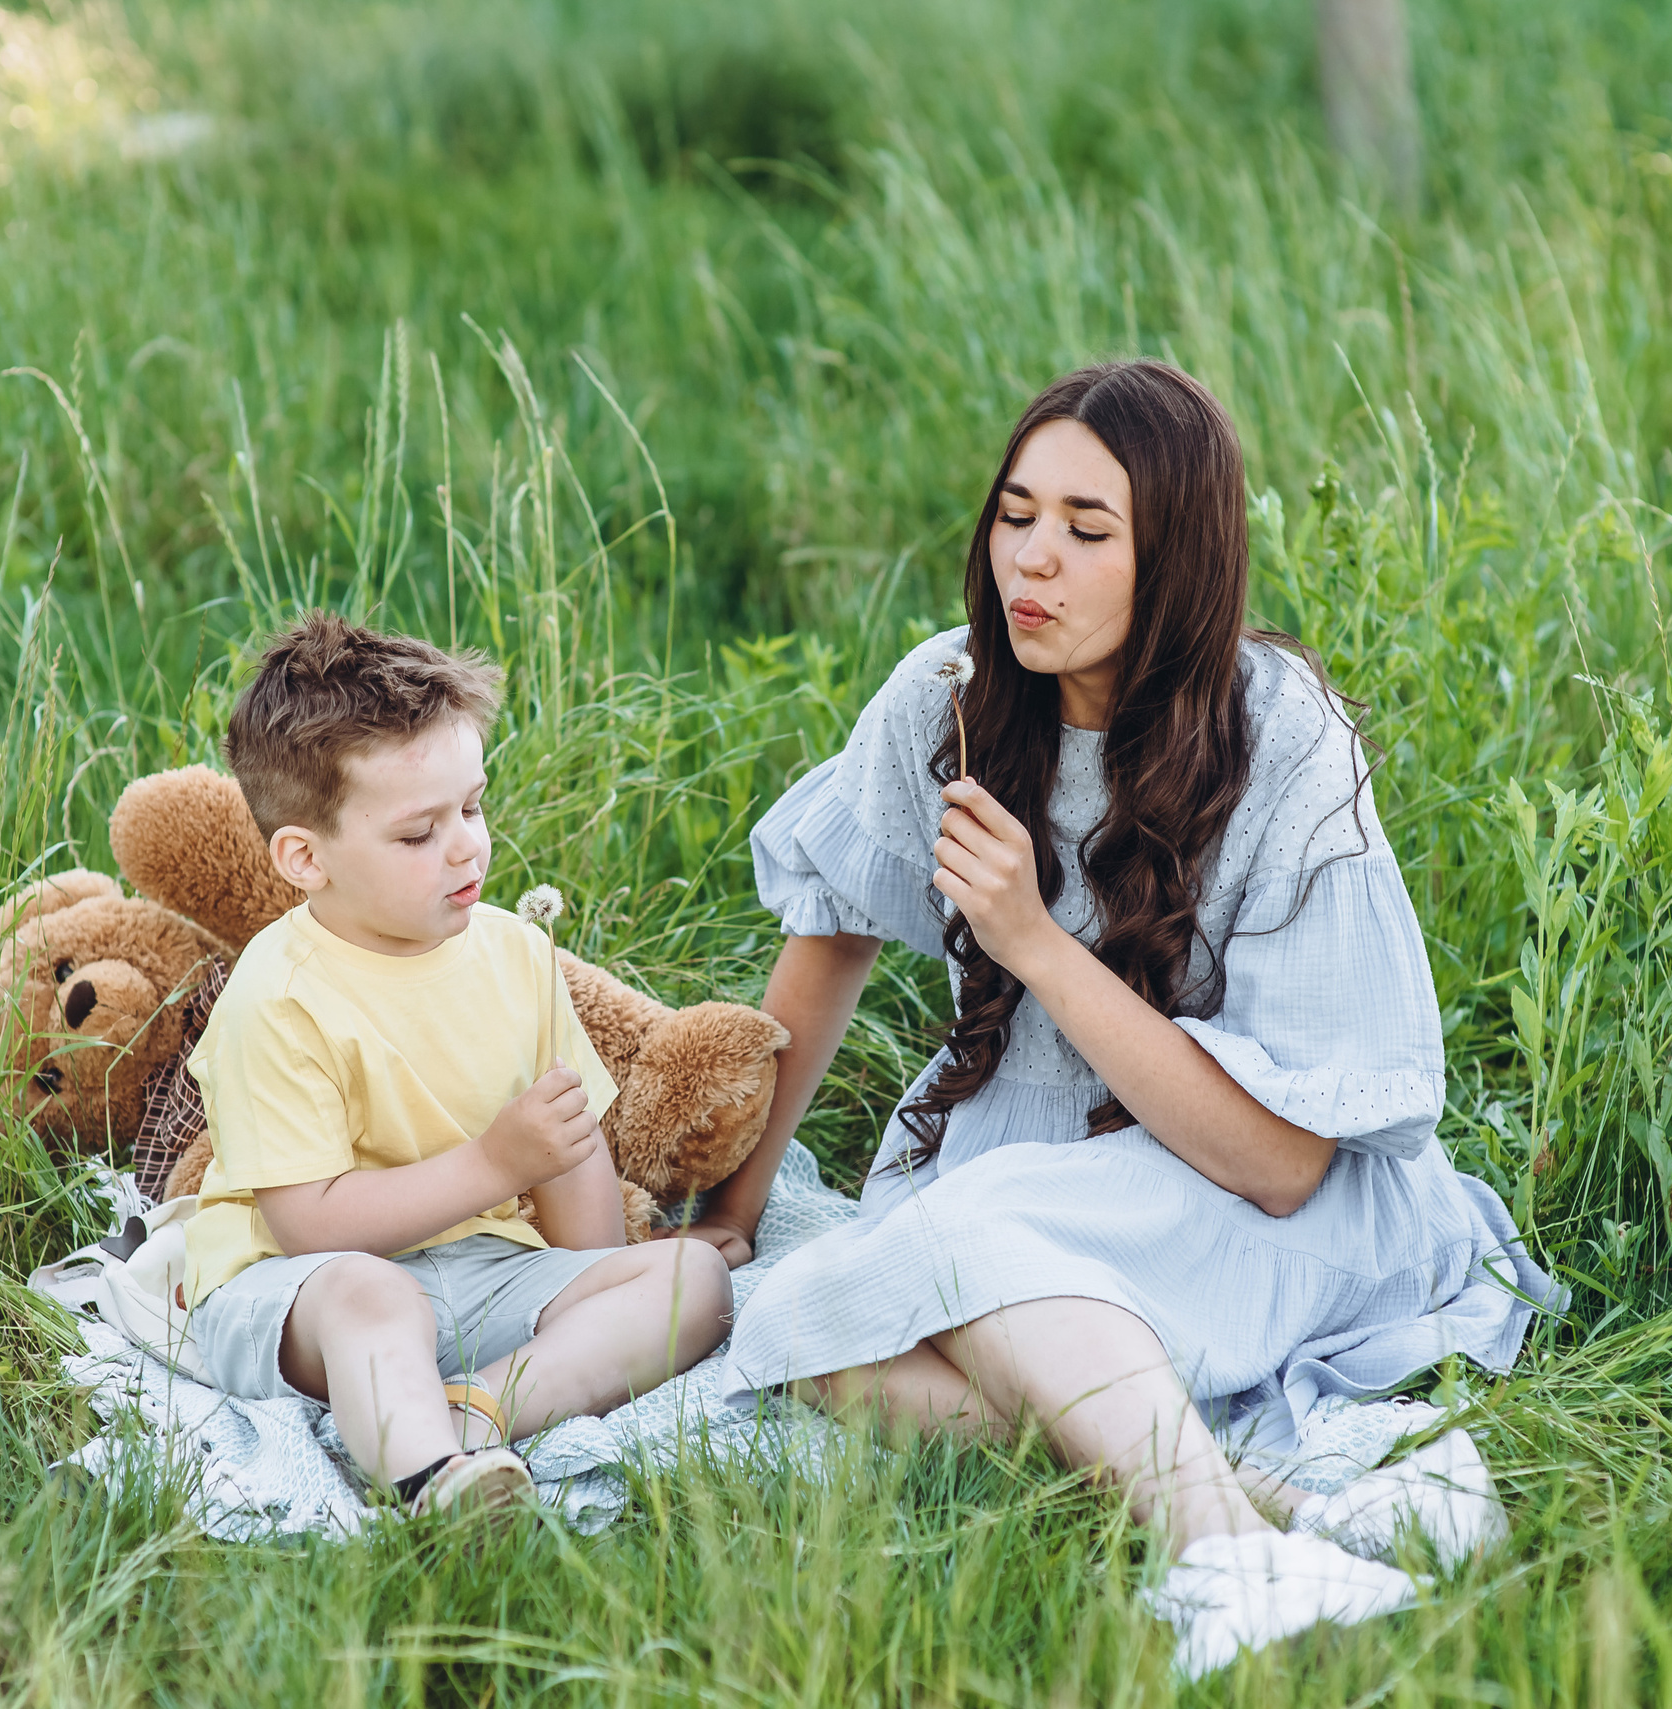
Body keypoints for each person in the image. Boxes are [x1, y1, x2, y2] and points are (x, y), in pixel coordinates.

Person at [681, 363, 1563, 1672]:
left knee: (967, 1237)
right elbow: (830, 942)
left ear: (1180, 559)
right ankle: (1301, 1519)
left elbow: (1281, 1163)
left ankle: (1214, 1556)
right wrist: (729, 1225)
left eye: (1089, 532)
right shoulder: (950, 699)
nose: (1034, 559)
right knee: (809, 1318)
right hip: (1034, 1167)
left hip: (1264, 1203)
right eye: (1016, 514)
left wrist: (1034, 939)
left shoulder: (1287, 743)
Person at [181, 613, 733, 1518]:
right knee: (373, 1295)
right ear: (305, 857)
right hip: (300, 1290)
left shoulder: (515, 954)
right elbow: (308, 1226)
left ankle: (472, 1418)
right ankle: (422, 1477)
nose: (468, 845)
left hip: (480, 1269)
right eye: (418, 833)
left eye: (472, 806)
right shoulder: (277, 996)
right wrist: (493, 1165)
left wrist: (589, 1273)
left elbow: (570, 1182)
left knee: (692, 1284)